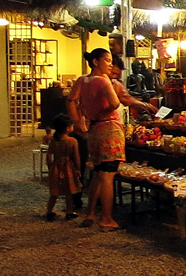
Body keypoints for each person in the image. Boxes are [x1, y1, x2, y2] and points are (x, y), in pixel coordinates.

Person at [67, 48, 122, 232]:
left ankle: (90, 214)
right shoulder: (102, 81)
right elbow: (115, 103)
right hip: (109, 128)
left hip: (93, 129)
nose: (110, 64)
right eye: (107, 60)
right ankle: (106, 218)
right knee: (107, 174)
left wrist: (77, 122)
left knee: (98, 172)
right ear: (95, 62)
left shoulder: (82, 80)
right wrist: (105, 112)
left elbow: (71, 100)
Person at [46, 114, 82, 221]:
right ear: (67, 128)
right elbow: (76, 157)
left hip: (56, 167)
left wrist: (50, 166)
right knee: (69, 191)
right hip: (68, 168)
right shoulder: (72, 141)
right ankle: (69, 212)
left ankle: (49, 211)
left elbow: (49, 155)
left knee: (54, 192)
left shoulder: (53, 140)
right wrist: (77, 169)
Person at [109, 54, 158, 119]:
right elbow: (123, 99)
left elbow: (126, 96)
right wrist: (144, 105)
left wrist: (144, 105)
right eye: (113, 73)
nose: (115, 77)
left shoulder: (115, 82)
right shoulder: (102, 82)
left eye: (118, 75)